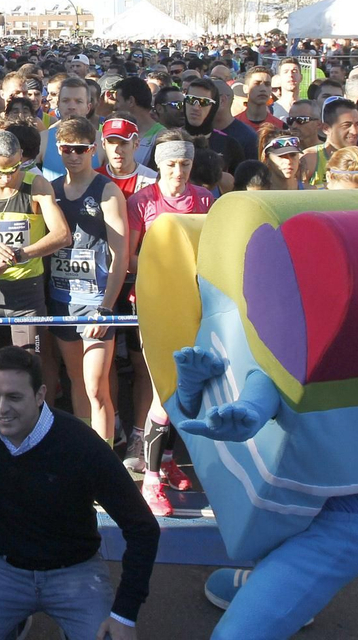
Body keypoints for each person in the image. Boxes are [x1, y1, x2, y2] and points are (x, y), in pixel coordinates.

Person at [0, 346, 157, 640]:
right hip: (2, 567)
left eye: (14, 397)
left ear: (41, 394)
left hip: (75, 571)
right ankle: (11, 618)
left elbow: (143, 528)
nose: (1, 408)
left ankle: (15, 620)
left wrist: (124, 615)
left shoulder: (81, 445)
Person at [124, 130, 214, 515]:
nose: (178, 171)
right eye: (172, 164)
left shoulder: (206, 199)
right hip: (154, 305)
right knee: (164, 390)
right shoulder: (141, 201)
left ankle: (166, 460)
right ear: (159, 164)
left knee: (188, 388)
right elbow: (128, 258)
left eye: (185, 164)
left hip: (194, 305)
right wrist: (166, 269)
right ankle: (150, 481)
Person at [47, 116, 129, 443]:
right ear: (58, 149)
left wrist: (106, 307)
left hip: (96, 302)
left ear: (93, 150)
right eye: (67, 149)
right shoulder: (52, 190)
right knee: (76, 382)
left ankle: (104, 456)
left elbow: (120, 254)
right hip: (62, 298)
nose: (73, 155)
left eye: (81, 149)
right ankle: (85, 451)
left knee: (96, 387)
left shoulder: (107, 191)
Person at [0, 127, 71, 352]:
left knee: (29, 362)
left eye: (13, 169)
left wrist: (16, 255)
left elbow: (62, 235)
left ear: (21, 155)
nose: (6, 178)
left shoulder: (37, 185)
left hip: (28, 292)